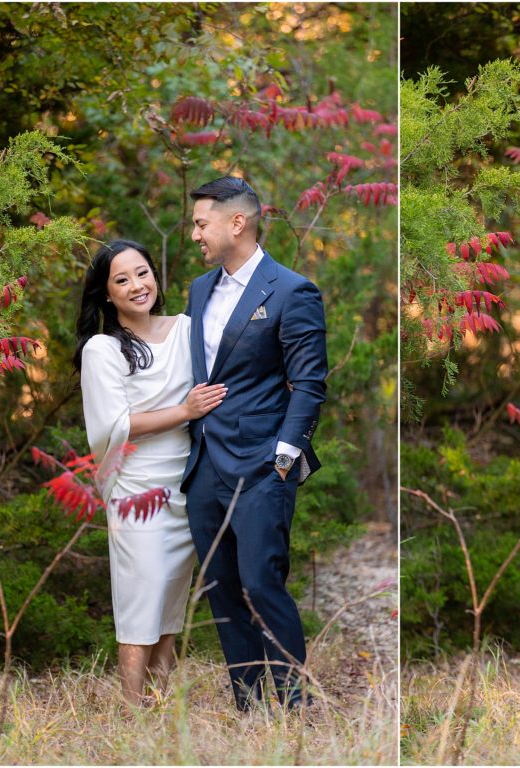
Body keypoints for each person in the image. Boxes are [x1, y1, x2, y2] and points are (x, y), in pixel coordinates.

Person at [181, 175, 328, 711]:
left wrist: (285, 455)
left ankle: (292, 703)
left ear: (236, 222)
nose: (195, 234)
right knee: (221, 590)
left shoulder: (292, 291)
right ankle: (248, 704)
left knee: (262, 584)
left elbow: (310, 382)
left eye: (201, 224)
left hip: (263, 465)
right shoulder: (199, 290)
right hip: (204, 467)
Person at [74, 239, 226, 707]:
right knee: (141, 601)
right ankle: (132, 711)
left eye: (142, 273)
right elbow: (113, 426)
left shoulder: (185, 329)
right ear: (105, 294)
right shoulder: (103, 349)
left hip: (186, 483)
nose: (137, 286)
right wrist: (184, 410)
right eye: (121, 279)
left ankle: (159, 708)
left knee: (168, 606)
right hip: (136, 488)